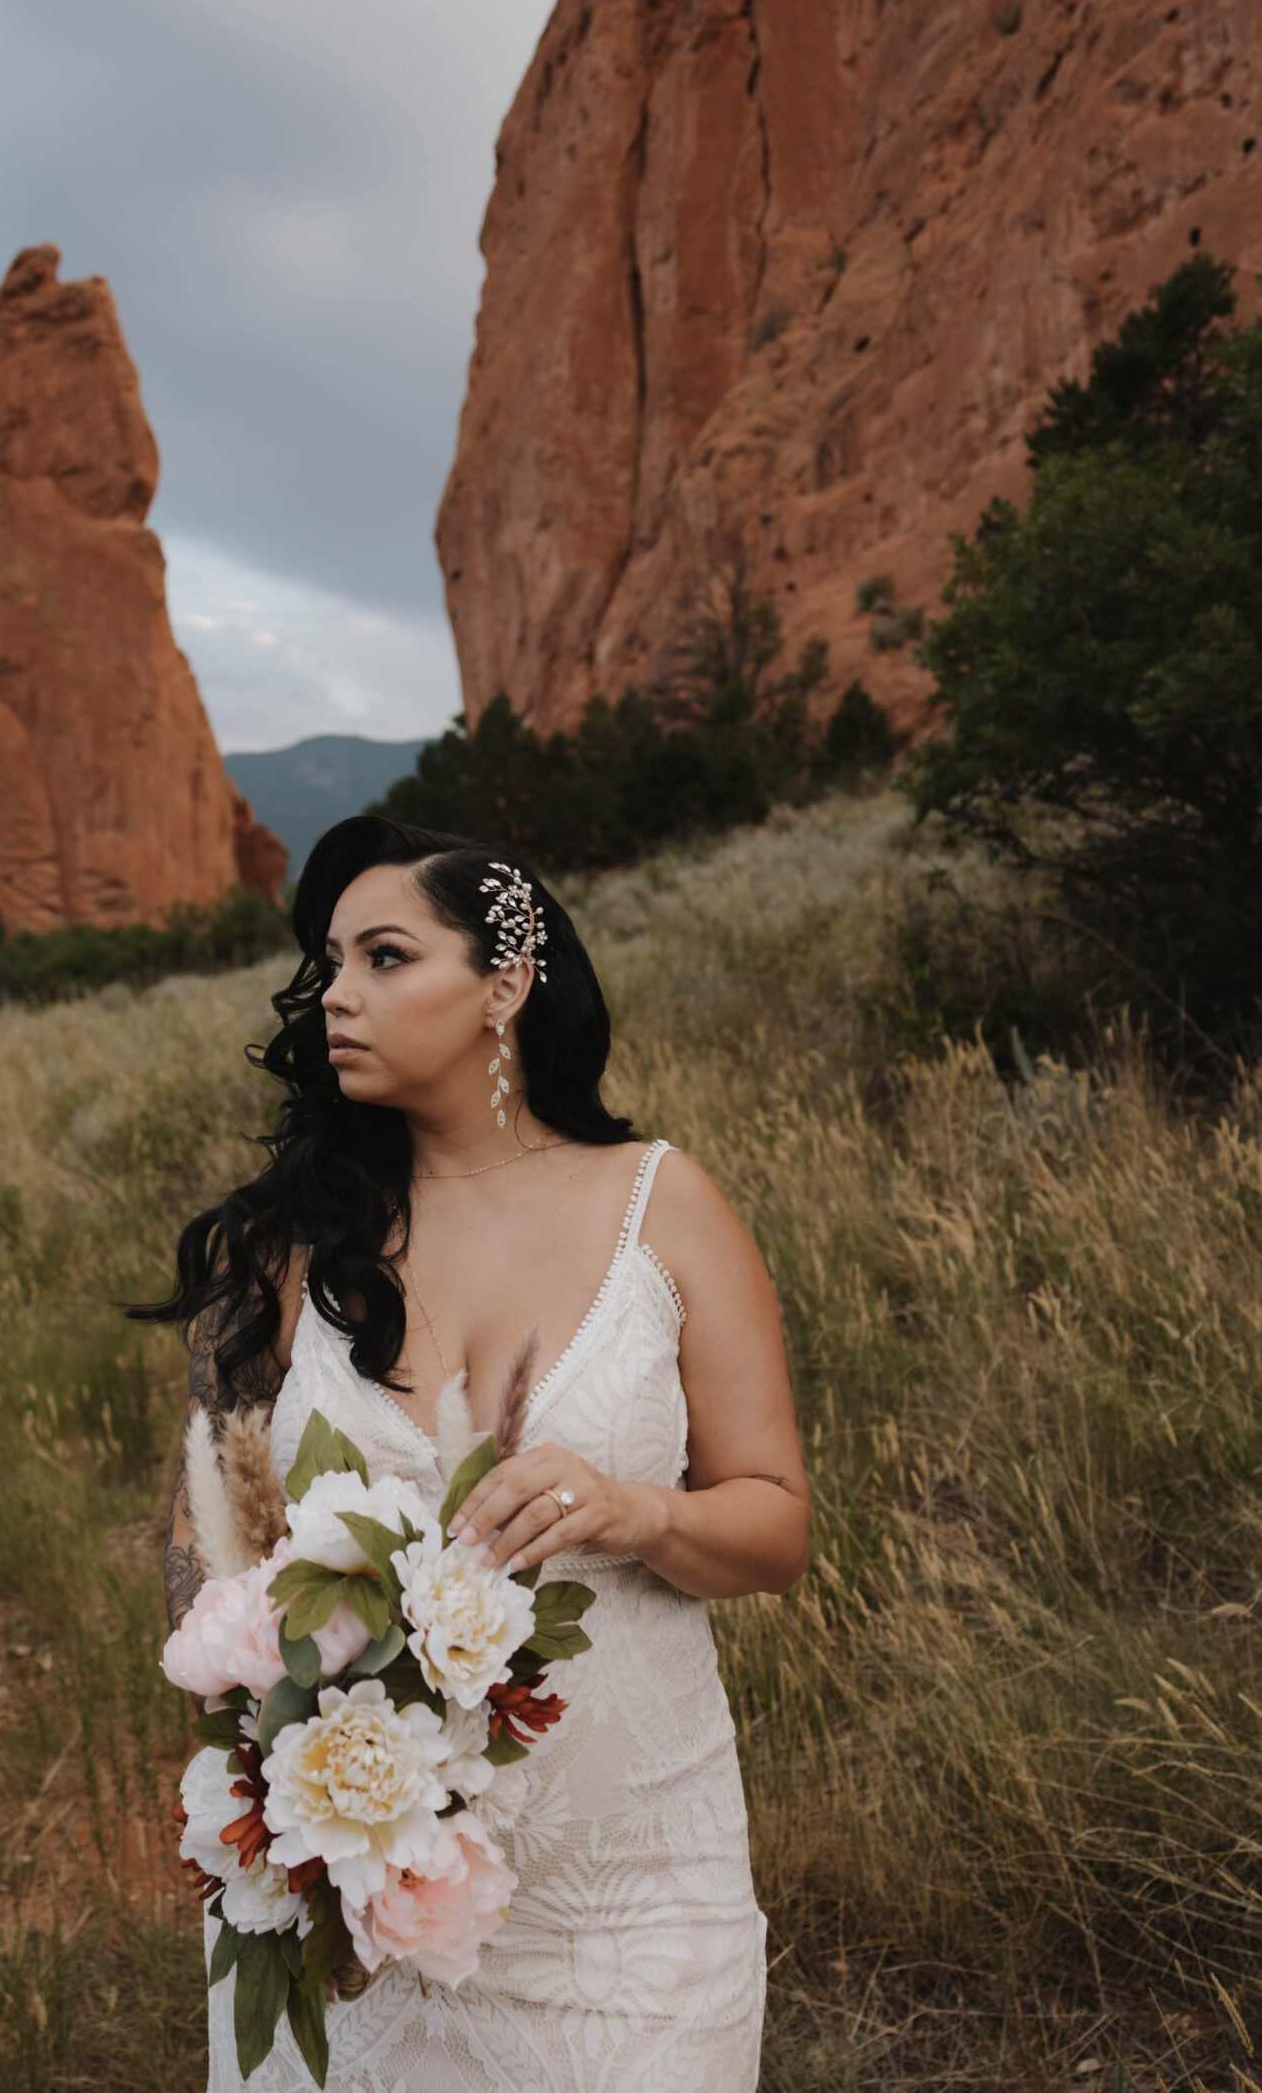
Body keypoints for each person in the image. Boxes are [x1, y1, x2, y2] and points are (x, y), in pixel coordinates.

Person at [136, 815, 809, 2092]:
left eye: (385, 956)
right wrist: (298, 1808)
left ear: (504, 984)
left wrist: (639, 1514)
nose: (338, 994)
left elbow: (776, 1525)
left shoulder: (662, 1204)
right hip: (360, 1908)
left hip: (630, 1909)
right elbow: (201, 1564)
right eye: (330, 963)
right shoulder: (284, 1251)